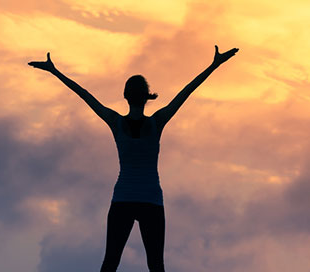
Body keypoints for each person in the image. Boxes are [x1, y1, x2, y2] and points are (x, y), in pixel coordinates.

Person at [28, 45, 239, 272]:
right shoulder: (157, 122)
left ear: (125, 96)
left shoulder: (115, 122)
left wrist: (56, 71)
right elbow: (186, 92)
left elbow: (85, 95)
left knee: (110, 263)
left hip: (123, 200)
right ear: (147, 97)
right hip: (151, 200)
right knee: (156, 266)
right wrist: (214, 66)